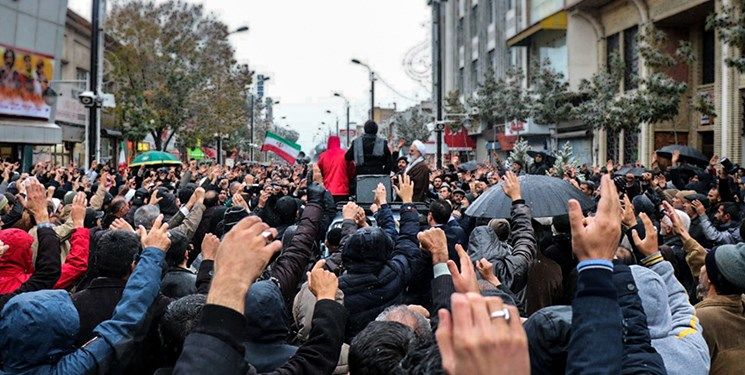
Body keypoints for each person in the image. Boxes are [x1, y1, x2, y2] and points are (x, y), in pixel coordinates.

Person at [317, 136, 353, 202]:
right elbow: (351, 171)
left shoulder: (323, 156)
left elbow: (318, 172)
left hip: (327, 190)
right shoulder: (345, 154)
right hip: (343, 191)